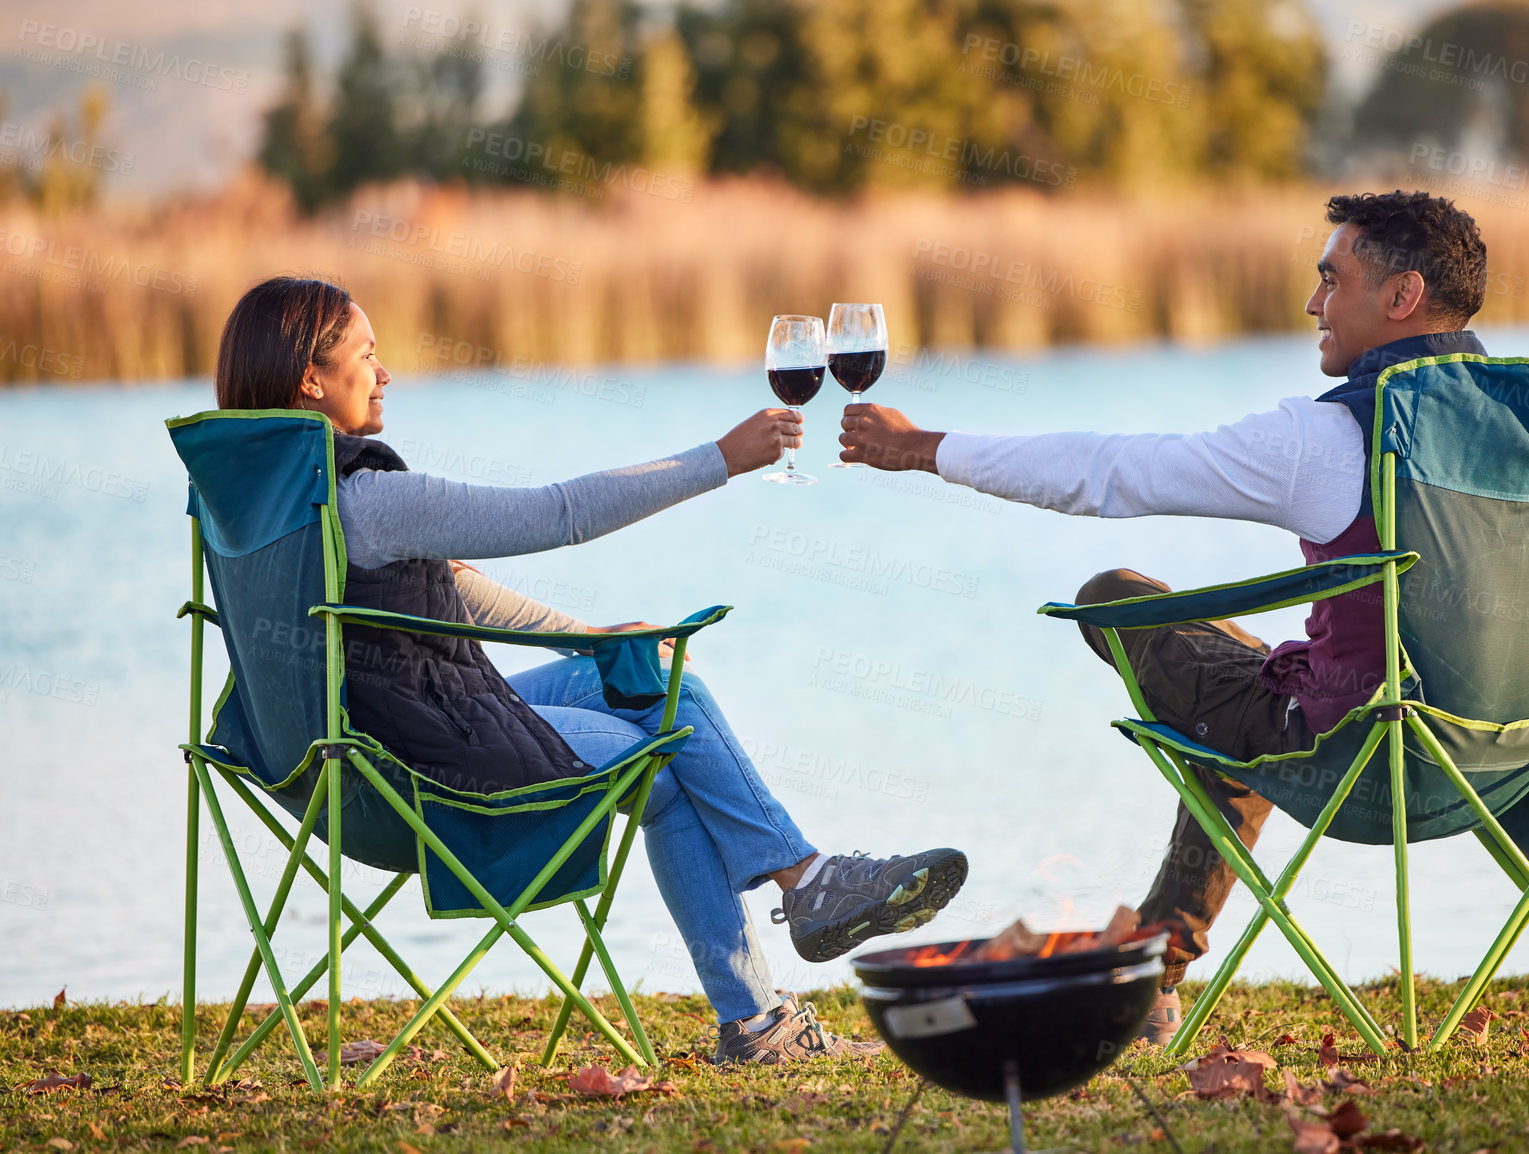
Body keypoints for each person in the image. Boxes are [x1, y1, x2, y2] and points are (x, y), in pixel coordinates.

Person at [213, 276, 968, 1064]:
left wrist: (590, 639)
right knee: (669, 728)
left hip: (331, 762)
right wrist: (721, 459)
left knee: (646, 681)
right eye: (367, 356)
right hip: (419, 772)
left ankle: (788, 936)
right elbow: (557, 514)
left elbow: (441, 595)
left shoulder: (259, 497)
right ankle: (794, 918)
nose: (385, 373)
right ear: (311, 378)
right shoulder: (368, 496)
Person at [837, 190, 1489, 1045]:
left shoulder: (1336, 437)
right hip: (1519, 749)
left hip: (1368, 756)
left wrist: (924, 448)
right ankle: (1155, 958)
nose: (1311, 305)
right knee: (1249, 689)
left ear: (1400, 297)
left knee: (1118, 598)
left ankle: (1153, 965)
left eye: (1330, 281)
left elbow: (1113, 472)